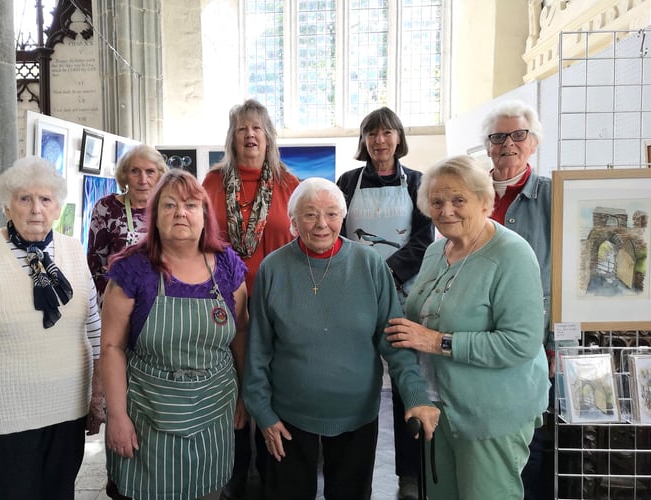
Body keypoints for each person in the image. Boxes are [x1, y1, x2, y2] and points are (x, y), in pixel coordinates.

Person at [244, 177, 439, 500]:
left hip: (357, 416)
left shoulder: (370, 265)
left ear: (344, 217)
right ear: (293, 220)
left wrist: (416, 394)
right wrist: (263, 414)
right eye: (310, 214)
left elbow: (394, 341)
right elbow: (258, 351)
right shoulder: (273, 269)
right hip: (288, 418)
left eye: (332, 214)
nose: (322, 224)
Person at [385, 155, 550, 500]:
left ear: (485, 201)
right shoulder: (435, 250)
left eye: (459, 200)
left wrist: (437, 342)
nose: (446, 210)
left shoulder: (511, 255)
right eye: (437, 201)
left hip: (491, 414)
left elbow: (520, 343)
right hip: (439, 406)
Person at [0, 156, 103, 500]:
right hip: (7, 415)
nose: (35, 209)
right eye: (24, 198)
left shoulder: (74, 252)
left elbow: (95, 330)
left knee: (59, 493)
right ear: (7, 206)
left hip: (68, 409)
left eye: (45, 199)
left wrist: (97, 397)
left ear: (57, 207)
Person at [100, 169, 249, 500]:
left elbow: (241, 335)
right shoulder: (133, 269)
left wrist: (245, 395)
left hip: (214, 409)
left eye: (190, 205)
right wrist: (117, 415)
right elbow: (111, 347)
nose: (180, 213)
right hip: (146, 415)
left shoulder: (226, 266)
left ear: (204, 215)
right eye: (169, 206)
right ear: (155, 218)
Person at [202, 98, 300, 499]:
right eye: (242, 128)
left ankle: (276, 468)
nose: (249, 135)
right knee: (232, 388)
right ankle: (236, 470)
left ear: (268, 135)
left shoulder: (288, 184)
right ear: (232, 136)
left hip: (276, 303)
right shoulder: (210, 183)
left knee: (274, 385)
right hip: (221, 307)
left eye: (257, 128)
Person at [336, 106, 434, 500]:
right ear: (364, 140)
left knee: (405, 382)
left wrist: (386, 274)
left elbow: (425, 238)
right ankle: (348, 469)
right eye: (372, 133)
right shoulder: (346, 182)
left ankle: (409, 474)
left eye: (387, 133)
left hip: (405, 295)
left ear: (399, 138)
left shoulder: (417, 183)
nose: (380, 140)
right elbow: (336, 234)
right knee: (354, 379)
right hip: (353, 293)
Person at [481, 99, 576, 500]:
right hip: (479, 339)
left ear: (533, 142)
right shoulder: (470, 194)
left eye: (518, 134)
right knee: (487, 438)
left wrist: (556, 346)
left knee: (532, 442)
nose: (508, 144)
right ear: (487, 146)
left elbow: (570, 276)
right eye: (498, 136)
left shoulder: (555, 197)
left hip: (532, 341)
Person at [88, 144, 168, 305]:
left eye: (150, 172)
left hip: (161, 301)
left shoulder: (168, 208)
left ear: (160, 176)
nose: (142, 180)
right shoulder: (107, 208)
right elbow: (95, 265)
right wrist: (111, 303)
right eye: (135, 171)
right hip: (118, 300)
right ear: (124, 175)